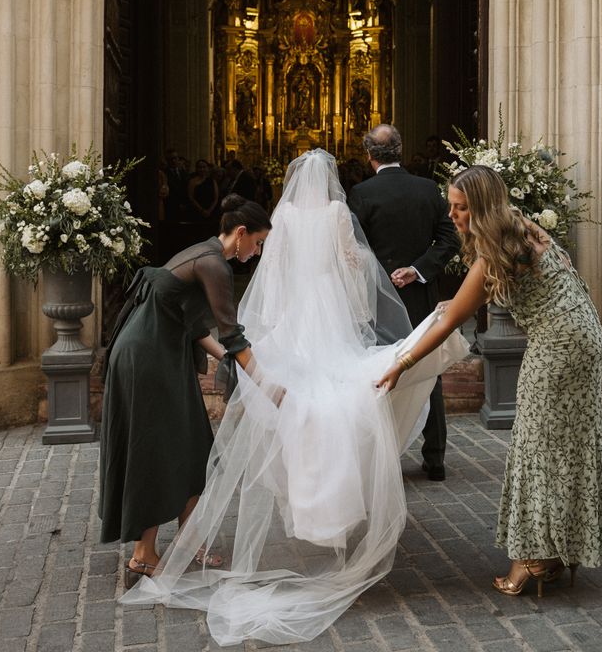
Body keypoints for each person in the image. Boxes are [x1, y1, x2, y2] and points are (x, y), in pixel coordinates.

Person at [121, 149, 468, 644]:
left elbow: (273, 271)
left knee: (287, 404)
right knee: (336, 384)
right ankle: (321, 494)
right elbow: (351, 264)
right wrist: (356, 308)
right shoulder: (336, 213)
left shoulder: (280, 216)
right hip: (326, 305)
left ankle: (260, 507)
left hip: (293, 310)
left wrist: (268, 329)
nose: (255, 250)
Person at [377, 165, 602, 596]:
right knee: (569, 443)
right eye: (451, 205)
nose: (452, 215)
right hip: (585, 334)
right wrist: (458, 301)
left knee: (535, 446)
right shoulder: (522, 226)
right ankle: (560, 551)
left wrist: (401, 364)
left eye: (461, 207)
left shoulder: (492, 253)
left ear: (483, 208)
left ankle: (529, 561)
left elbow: (450, 323)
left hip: (558, 345)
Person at [98, 195, 272, 588]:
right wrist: (267, 385)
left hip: (158, 353)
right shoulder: (214, 264)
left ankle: (188, 542)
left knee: (195, 446)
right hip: (148, 358)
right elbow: (231, 334)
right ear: (241, 234)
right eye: (258, 243)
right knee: (157, 451)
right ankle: (143, 556)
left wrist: (228, 362)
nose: (257, 252)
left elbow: (193, 326)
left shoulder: (204, 252)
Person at [348, 124, 460, 480]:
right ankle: (435, 458)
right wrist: (417, 269)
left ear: (369, 155)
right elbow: (450, 239)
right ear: (400, 150)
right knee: (428, 369)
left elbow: (355, 249)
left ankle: (382, 457)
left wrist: (382, 275)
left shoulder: (361, 193)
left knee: (377, 370)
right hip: (420, 295)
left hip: (377, 300)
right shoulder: (427, 189)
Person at [187, 159, 220, 223]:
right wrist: (202, 210)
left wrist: (209, 210)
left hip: (211, 211)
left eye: (204, 167)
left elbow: (216, 198)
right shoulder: (192, 181)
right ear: (196, 169)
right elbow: (191, 197)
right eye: (200, 167)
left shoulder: (212, 181)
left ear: (207, 168)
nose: (202, 169)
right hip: (197, 211)